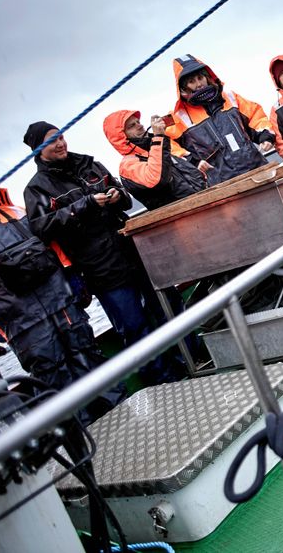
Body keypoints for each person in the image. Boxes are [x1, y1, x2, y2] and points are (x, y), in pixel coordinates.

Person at [21, 122, 183, 385]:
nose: (61, 143)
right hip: (100, 268)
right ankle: (163, 381)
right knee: (133, 326)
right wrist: (84, 205)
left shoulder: (90, 164)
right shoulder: (37, 188)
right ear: (37, 150)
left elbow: (127, 200)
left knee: (168, 305)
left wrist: (117, 196)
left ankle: (191, 356)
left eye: (61, 137)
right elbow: (41, 226)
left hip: (133, 252)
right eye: (52, 141)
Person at [0, 186, 126, 423]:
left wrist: (73, 278)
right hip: (24, 327)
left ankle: (127, 415)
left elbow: (51, 244)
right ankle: (84, 439)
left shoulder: (16, 211)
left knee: (91, 360)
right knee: (53, 382)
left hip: (63, 306)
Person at [164, 54, 276, 185]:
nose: (199, 84)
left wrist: (265, 136)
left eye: (200, 78)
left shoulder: (230, 97)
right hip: (223, 185)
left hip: (258, 170)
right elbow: (166, 144)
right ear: (183, 88)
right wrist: (191, 160)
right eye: (192, 81)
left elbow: (255, 115)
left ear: (207, 77)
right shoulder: (178, 116)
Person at [103, 109, 207, 210]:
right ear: (121, 136)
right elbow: (157, 179)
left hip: (203, 204)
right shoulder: (128, 165)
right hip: (181, 219)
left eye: (138, 122)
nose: (140, 126)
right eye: (132, 126)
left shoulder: (156, 150)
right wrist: (159, 137)